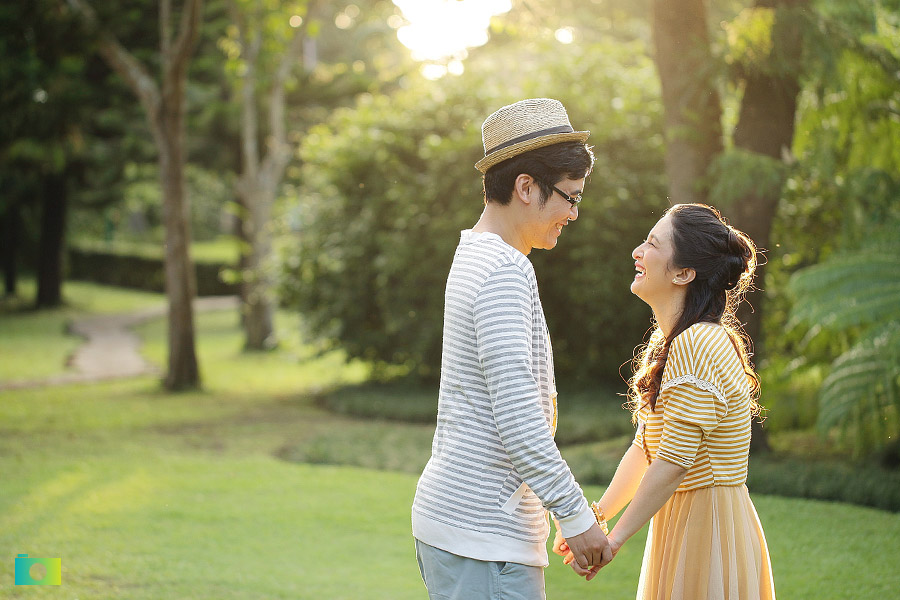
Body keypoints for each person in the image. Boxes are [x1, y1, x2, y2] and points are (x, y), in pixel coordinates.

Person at [411, 98, 612, 600]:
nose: (573, 213)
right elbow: (517, 414)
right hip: (482, 538)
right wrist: (574, 514)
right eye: (569, 197)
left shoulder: (475, 254)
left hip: (467, 528)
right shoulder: (502, 270)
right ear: (526, 187)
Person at [555, 203, 776, 598]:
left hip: (707, 529)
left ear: (683, 273)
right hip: (683, 522)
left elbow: (673, 461)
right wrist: (597, 517)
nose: (637, 252)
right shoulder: (672, 342)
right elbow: (646, 449)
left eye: (653, 244)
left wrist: (615, 541)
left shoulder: (697, 343)